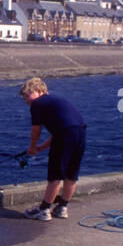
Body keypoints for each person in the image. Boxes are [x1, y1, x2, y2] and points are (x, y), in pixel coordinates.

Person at [19, 77, 86, 221]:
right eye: (24, 98)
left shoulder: (37, 104)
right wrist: (40, 148)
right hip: (80, 132)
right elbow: (61, 132)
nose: (27, 100)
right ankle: (62, 207)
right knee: (71, 173)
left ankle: (43, 210)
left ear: (38, 91)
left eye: (27, 95)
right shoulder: (56, 101)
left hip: (66, 134)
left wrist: (32, 147)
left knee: (55, 175)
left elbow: (36, 129)